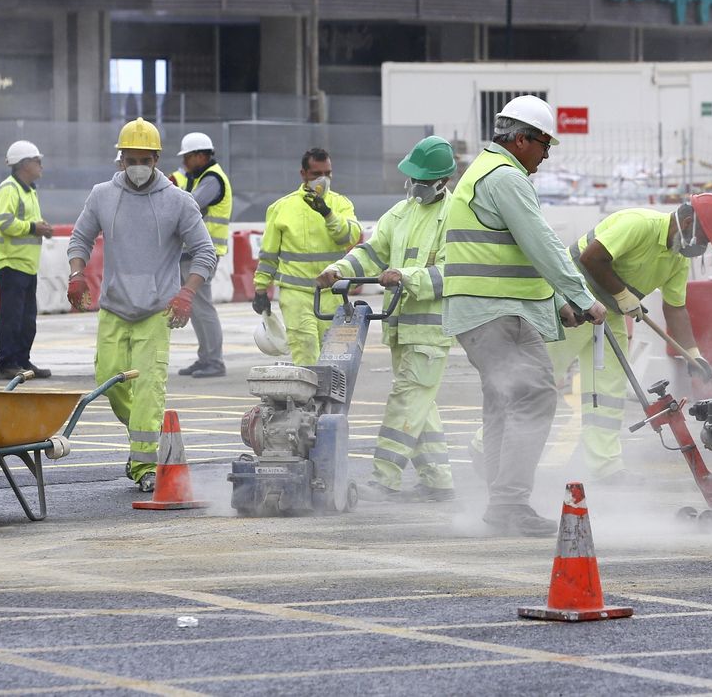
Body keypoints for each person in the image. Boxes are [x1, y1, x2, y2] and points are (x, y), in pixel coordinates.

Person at [440, 95, 605, 537]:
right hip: (494, 312)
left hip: (484, 311)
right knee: (533, 396)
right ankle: (508, 504)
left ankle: (499, 500)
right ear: (520, 139)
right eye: (544, 144)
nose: (547, 154)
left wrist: (556, 305)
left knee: (503, 403)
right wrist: (582, 296)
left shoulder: (481, 172)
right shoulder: (506, 178)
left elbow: (513, 254)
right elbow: (541, 244)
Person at [68, 118, 217, 493]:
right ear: (120, 160)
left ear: (156, 159)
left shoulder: (178, 201)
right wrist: (76, 273)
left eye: (144, 159)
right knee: (108, 383)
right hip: (115, 309)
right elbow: (80, 239)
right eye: (130, 159)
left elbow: (204, 252)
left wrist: (187, 292)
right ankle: (144, 433)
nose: (137, 166)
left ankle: (144, 466)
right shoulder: (102, 195)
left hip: (156, 312)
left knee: (149, 388)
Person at [546, 195, 712, 483]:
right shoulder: (639, 224)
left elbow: (676, 308)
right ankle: (491, 447)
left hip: (609, 312)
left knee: (608, 390)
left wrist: (693, 354)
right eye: (704, 240)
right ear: (686, 223)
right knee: (539, 377)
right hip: (572, 300)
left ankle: (605, 467)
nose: (702, 248)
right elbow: (591, 257)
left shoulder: (676, 260)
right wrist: (623, 294)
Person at [319, 136, 458, 503]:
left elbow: (454, 273)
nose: (416, 185)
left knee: (405, 400)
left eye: (423, 180)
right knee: (419, 405)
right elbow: (371, 251)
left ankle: (384, 477)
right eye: (413, 178)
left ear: (442, 181)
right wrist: (338, 270)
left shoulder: (455, 216)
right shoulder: (401, 212)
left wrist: (406, 276)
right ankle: (439, 479)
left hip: (430, 333)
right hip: (400, 328)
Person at [252, 148, 361, 366]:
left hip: (332, 294)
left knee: (333, 358)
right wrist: (260, 289)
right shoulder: (282, 208)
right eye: (316, 174)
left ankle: (330, 401)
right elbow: (269, 255)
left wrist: (328, 214)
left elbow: (350, 236)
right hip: (296, 297)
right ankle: (307, 401)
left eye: (328, 173)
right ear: (303, 174)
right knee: (306, 352)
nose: (323, 179)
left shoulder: (341, 204)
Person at [0, 140, 55, 380]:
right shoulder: (10, 188)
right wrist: (33, 228)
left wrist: (41, 228)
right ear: (24, 164)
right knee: (12, 318)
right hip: (11, 264)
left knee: (27, 319)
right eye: (37, 161)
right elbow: (3, 221)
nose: (41, 165)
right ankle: (7, 362)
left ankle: (22, 360)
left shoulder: (29, 190)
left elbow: (28, 223)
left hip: (27, 265)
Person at [170, 132, 232, 379]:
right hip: (193, 252)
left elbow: (190, 205)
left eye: (187, 157)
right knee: (196, 307)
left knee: (202, 307)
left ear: (200, 155)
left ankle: (214, 360)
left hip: (203, 253)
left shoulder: (212, 179)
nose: (185, 162)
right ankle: (205, 357)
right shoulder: (201, 178)